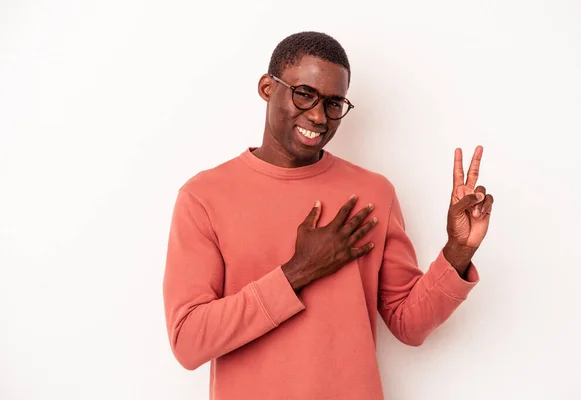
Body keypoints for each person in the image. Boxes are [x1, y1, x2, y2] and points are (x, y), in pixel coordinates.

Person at [162, 31, 494, 400]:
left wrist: (459, 250)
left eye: (335, 103)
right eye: (305, 94)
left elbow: (408, 324)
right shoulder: (205, 196)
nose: (319, 116)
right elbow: (189, 341)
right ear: (267, 88)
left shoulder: (373, 193)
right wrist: (298, 271)